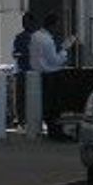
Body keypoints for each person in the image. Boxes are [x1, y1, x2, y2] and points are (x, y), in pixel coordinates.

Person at [30, 13, 75, 141]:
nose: (58, 28)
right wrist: (65, 50)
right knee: (55, 106)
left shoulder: (35, 36)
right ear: (52, 25)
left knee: (46, 105)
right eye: (57, 25)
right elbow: (55, 61)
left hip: (38, 74)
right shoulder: (47, 40)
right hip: (52, 75)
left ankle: (50, 130)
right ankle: (56, 132)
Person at [12, 12, 36, 125]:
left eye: (27, 22)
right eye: (23, 22)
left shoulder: (36, 38)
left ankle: (32, 119)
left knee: (31, 98)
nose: (25, 24)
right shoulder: (19, 37)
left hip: (33, 72)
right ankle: (21, 120)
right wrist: (22, 55)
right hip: (21, 71)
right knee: (20, 97)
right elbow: (14, 53)